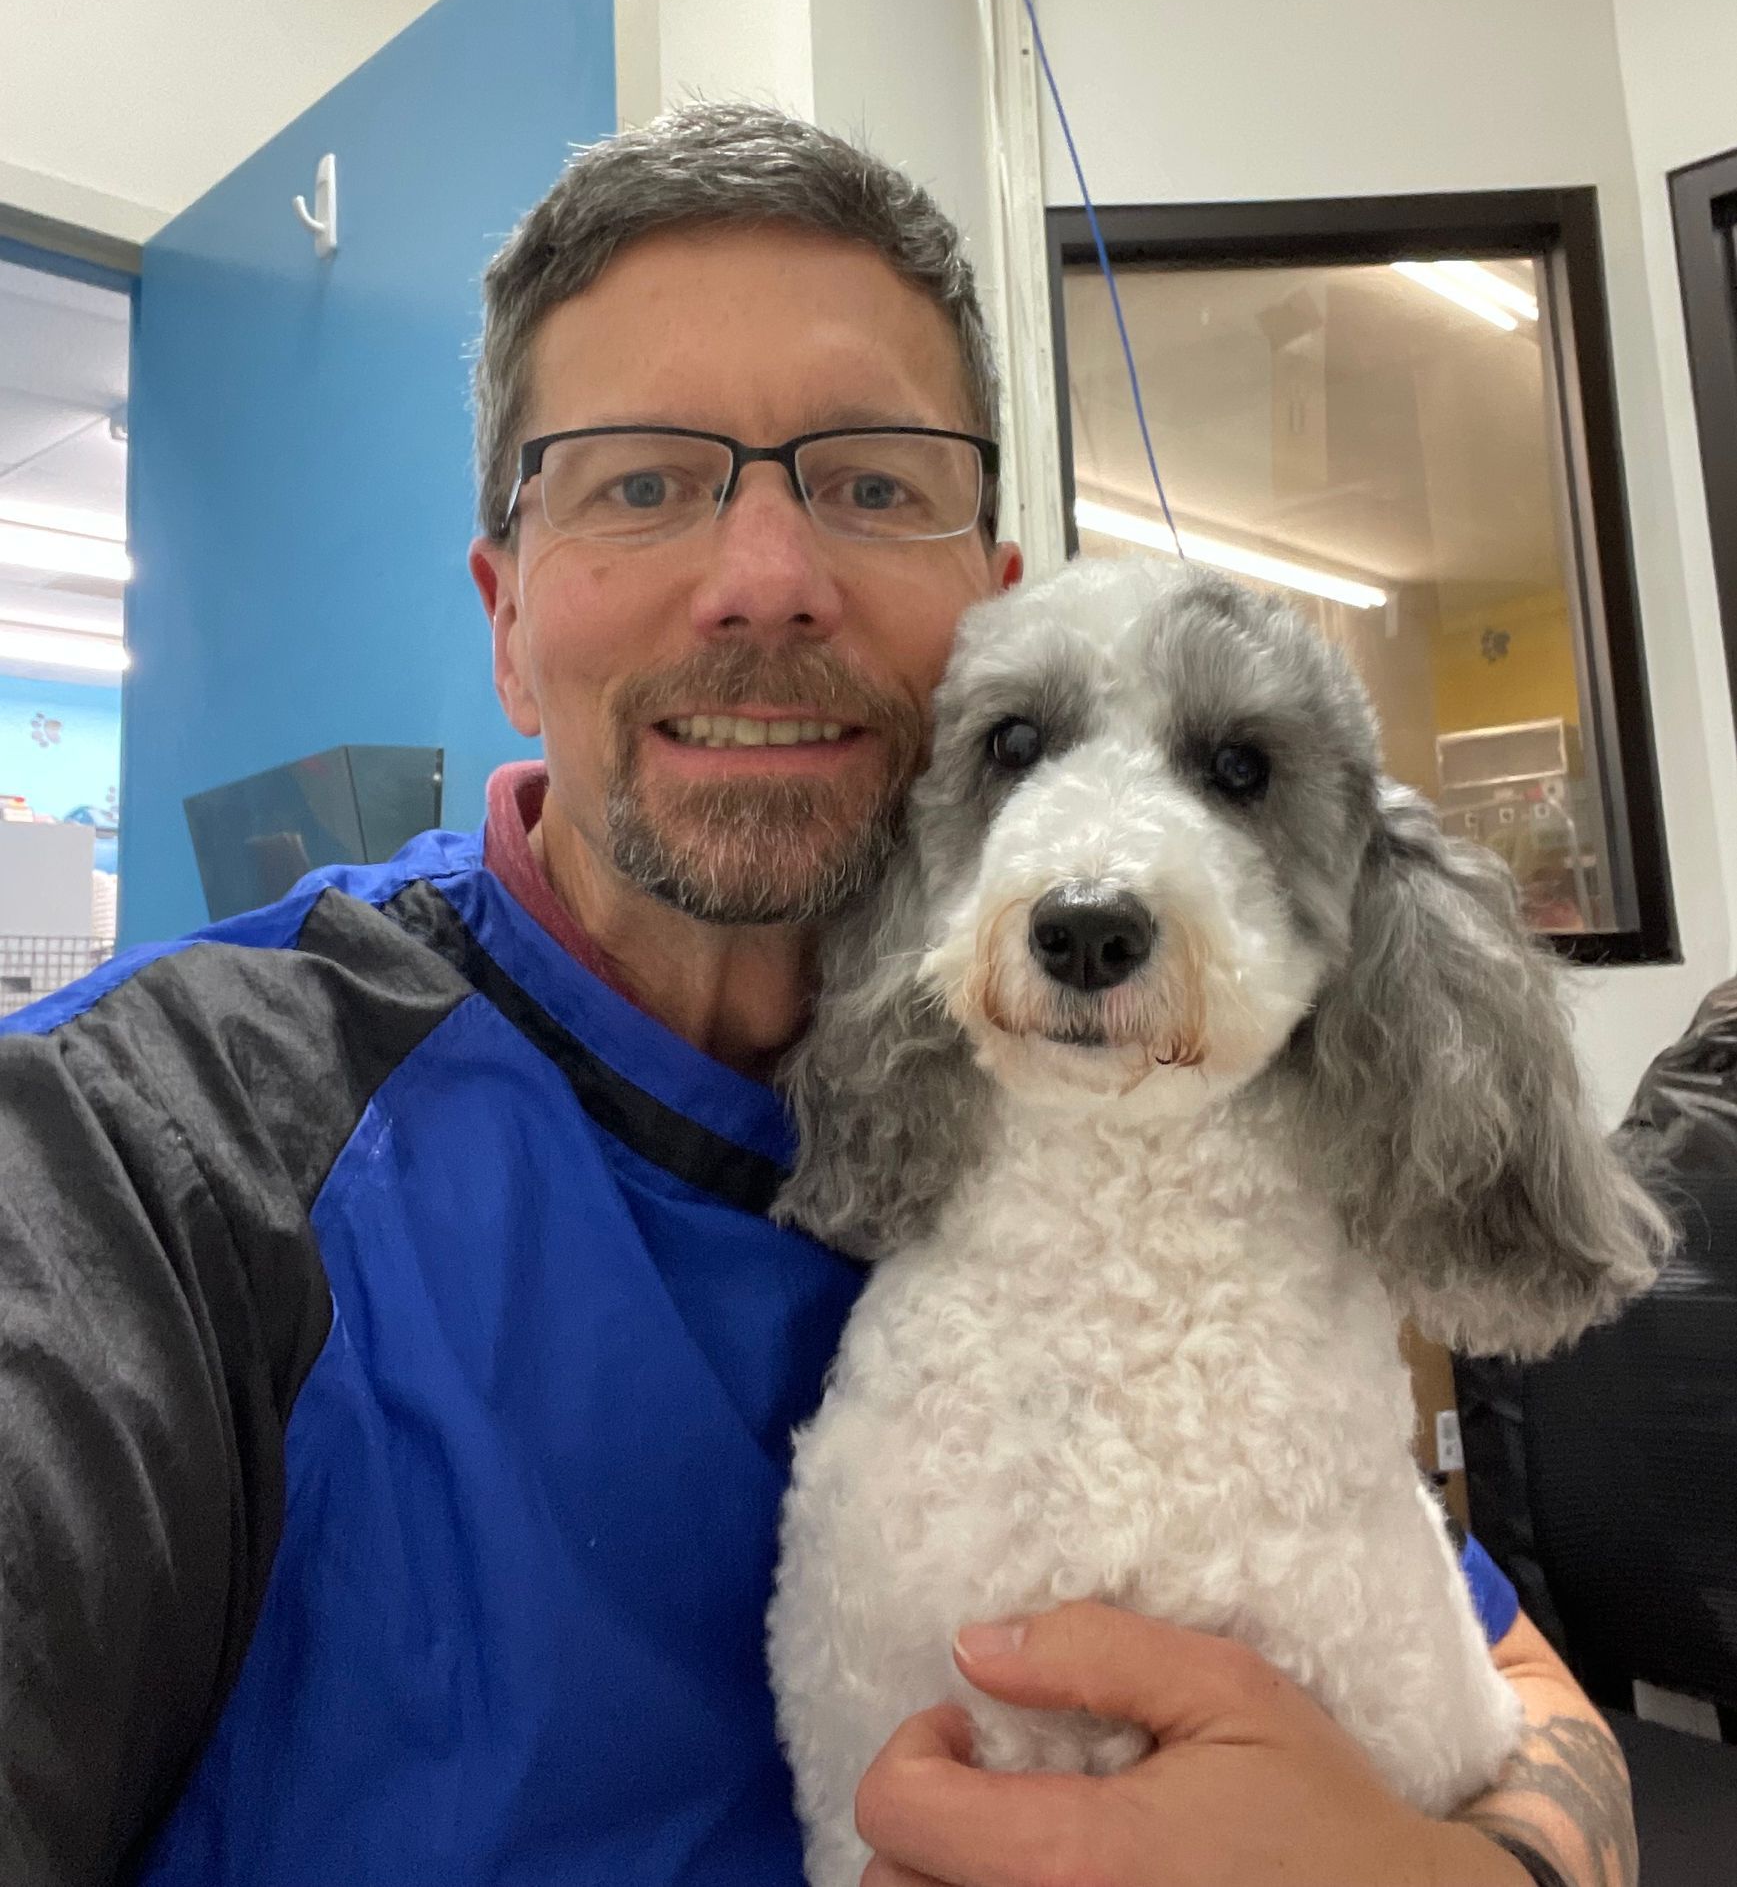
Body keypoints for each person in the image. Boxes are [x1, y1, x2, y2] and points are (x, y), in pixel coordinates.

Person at [0, 105, 1632, 1887]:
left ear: (992, 604)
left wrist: (1484, 1874)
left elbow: (1510, 1676)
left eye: (869, 481)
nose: (764, 580)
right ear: (507, 613)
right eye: (637, 479)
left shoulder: (1127, 1122)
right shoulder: (152, 1163)